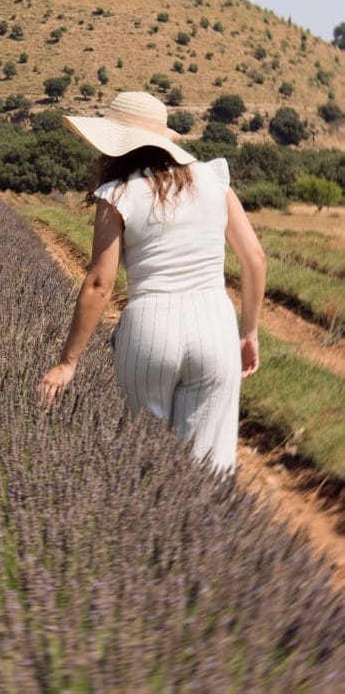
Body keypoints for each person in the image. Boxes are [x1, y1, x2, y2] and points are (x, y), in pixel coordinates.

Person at [40, 91, 266, 472]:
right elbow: (254, 260)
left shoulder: (118, 194)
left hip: (150, 329)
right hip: (214, 325)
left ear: (115, 145)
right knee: (207, 472)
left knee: (148, 467)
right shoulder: (214, 181)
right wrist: (249, 333)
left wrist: (68, 362)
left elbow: (99, 284)